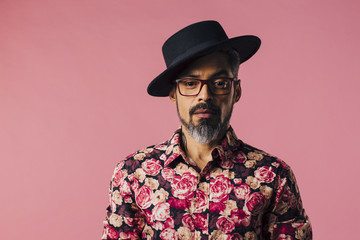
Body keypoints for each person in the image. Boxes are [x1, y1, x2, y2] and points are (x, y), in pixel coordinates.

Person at [102, 20, 312, 240]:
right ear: (173, 93)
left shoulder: (273, 176)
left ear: (236, 91)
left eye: (220, 82)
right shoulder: (133, 174)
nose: (205, 95)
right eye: (191, 83)